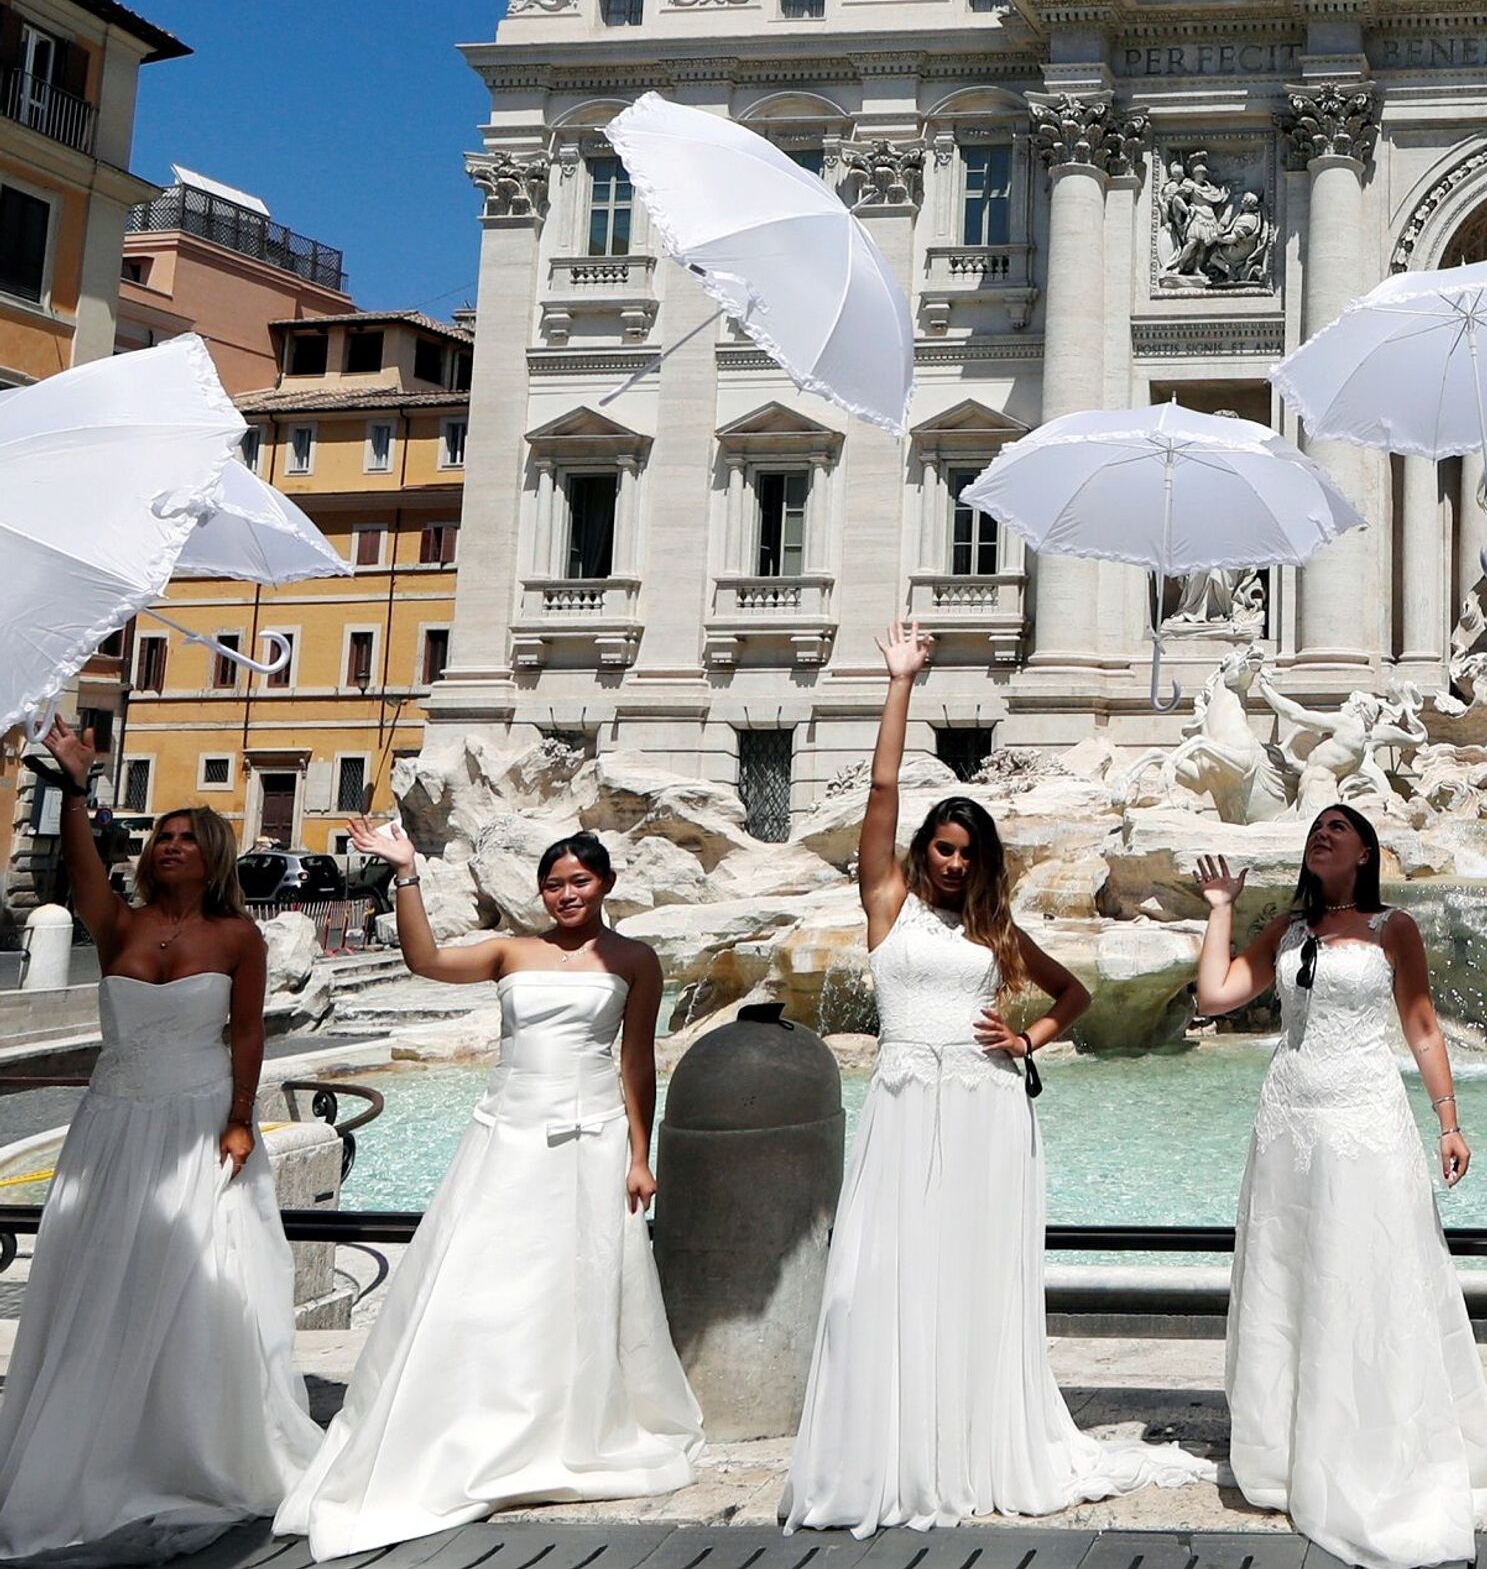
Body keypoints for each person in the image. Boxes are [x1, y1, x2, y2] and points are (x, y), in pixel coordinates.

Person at [782, 621, 1209, 1535]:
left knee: (972, 1279)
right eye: (942, 848)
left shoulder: (995, 932)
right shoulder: (886, 904)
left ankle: (972, 1446)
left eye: (967, 853)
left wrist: (1028, 1040)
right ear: (922, 851)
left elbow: (1075, 994)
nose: (953, 862)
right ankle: (895, 1449)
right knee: (877, 1276)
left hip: (985, 1105)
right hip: (905, 1101)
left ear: (983, 862)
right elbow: (883, 790)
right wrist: (901, 682)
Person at [275, 823, 702, 1559]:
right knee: (484, 1275)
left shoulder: (635, 959)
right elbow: (426, 960)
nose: (566, 894)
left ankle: (565, 1423)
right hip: (510, 1130)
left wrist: (641, 1155)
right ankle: (469, 1416)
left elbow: (638, 1061)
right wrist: (406, 871)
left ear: (605, 884)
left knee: (577, 1281)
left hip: (593, 1135)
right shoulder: (512, 950)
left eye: (579, 881)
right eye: (554, 884)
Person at [0, 718, 320, 1562]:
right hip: (114, 1124)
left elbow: (246, 1033)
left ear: (211, 856)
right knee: (101, 1279)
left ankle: (189, 1445)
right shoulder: (119, 923)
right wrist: (75, 787)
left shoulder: (239, 937)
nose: (171, 846)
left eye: (186, 838)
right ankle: (92, 1441)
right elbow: (80, 870)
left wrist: (242, 1117)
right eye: (163, 837)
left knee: (197, 1281)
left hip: (199, 1123)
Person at [1195, 805, 1487, 1569]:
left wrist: (1449, 1121)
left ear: (1366, 850)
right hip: (1288, 1117)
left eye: (1339, 827)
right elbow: (1215, 994)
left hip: (1365, 1114)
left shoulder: (1392, 928)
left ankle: (1372, 1446)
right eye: (1316, 828)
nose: (1322, 834)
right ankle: (1288, 1449)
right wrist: (1222, 909)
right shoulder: (1287, 929)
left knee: (1367, 1271)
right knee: (1289, 1273)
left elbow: (1422, 1026)